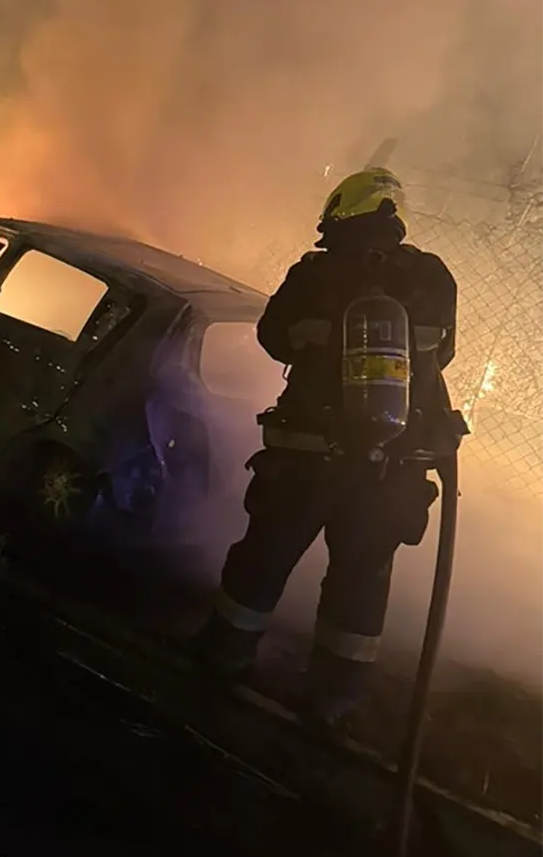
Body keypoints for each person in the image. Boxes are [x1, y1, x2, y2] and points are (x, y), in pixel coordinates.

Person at [190, 167, 463, 727]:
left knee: (265, 557)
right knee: (362, 581)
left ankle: (224, 656)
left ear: (342, 211)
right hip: (393, 468)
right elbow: (444, 356)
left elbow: (272, 337)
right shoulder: (434, 276)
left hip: (308, 457)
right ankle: (333, 700)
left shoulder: (315, 273)